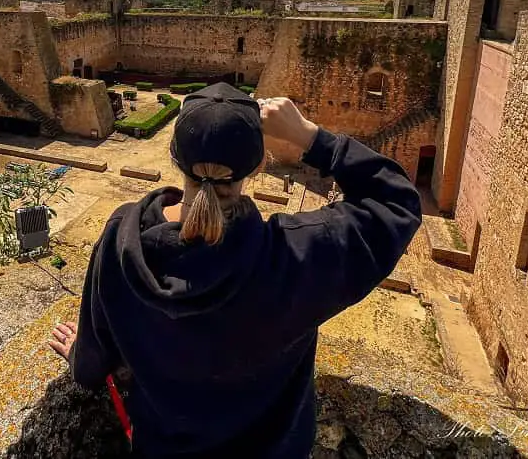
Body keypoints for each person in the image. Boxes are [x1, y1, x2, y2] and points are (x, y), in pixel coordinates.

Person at [49, 82, 422, 458]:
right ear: (259, 166)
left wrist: (80, 356)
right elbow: (397, 202)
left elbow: (93, 361)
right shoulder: (298, 254)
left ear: (174, 158)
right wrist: (311, 137)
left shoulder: (121, 240)